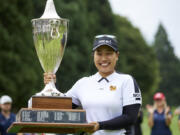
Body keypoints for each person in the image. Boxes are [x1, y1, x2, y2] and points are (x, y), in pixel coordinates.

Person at [44, 35, 142, 135]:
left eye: (108, 54)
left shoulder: (126, 81)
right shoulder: (83, 83)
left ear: (117, 55)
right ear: (93, 55)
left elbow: (130, 118)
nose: (103, 58)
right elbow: (61, 108)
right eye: (99, 54)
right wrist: (52, 85)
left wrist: (100, 125)